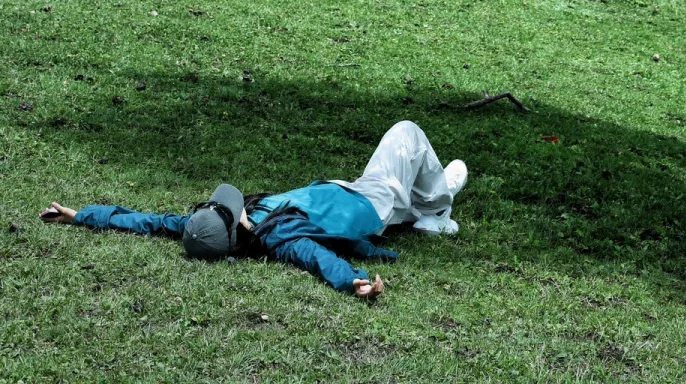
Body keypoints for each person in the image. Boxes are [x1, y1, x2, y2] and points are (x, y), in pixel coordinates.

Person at [41, 120, 467, 301]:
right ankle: (437, 208)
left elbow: (151, 223)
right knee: (407, 135)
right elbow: (317, 258)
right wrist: (353, 281)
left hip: (352, 195)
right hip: (368, 200)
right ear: (236, 229)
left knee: (410, 193)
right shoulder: (279, 238)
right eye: (229, 209)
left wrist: (82, 215)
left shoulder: (213, 228)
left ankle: (424, 211)